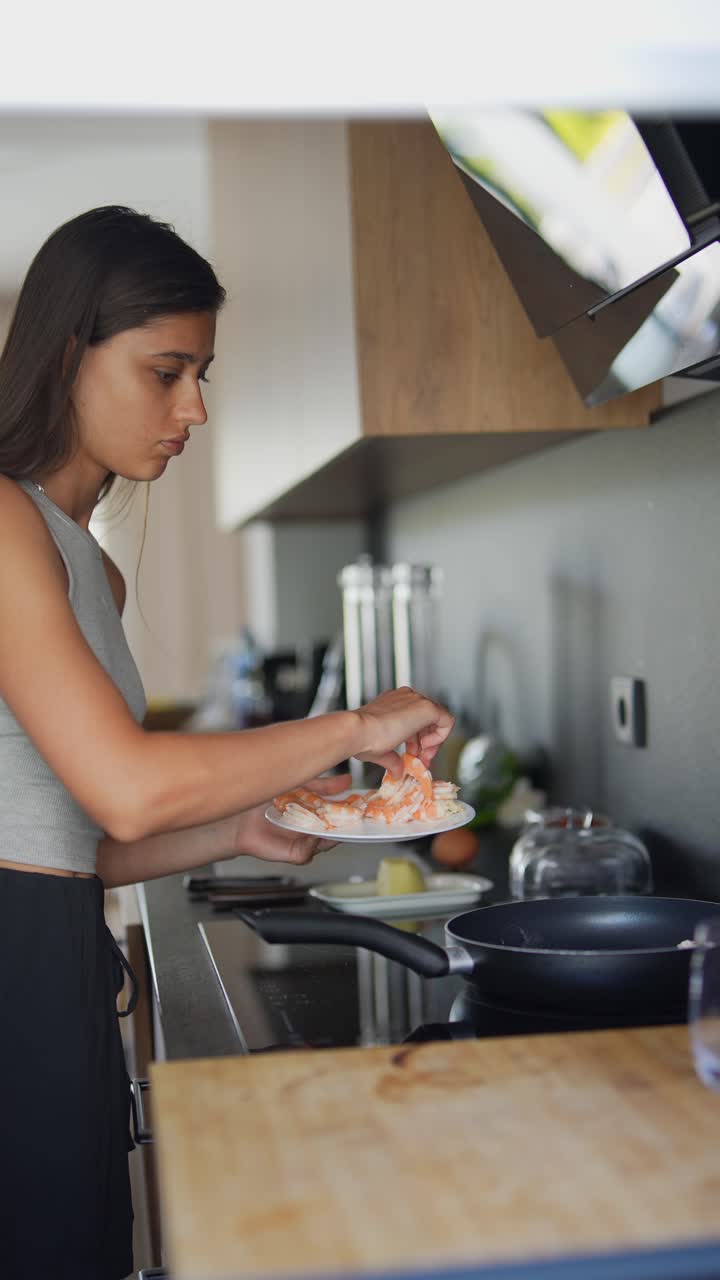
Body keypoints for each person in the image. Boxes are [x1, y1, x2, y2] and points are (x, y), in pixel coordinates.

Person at [0, 206, 453, 1280]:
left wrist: (240, 824)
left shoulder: (86, 565)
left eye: (201, 373)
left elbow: (79, 839)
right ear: (69, 353)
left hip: (55, 949)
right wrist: (352, 724)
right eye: (166, 371)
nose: (194, 407)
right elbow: (121, 787)